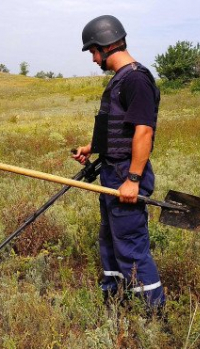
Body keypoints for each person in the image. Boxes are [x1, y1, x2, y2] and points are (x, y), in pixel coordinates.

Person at [73, 15, 166, 312]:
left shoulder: (136, 78)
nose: (93, 59)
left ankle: (152, 314)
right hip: (112, 172)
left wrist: (134, 180)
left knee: (130, 245)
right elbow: (119, 127)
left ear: (104, 46)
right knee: (111, 241)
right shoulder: (120, 80)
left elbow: (144, 130)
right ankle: (114, 299)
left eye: (92, 52)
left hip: (127, 174)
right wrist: (93, 147)